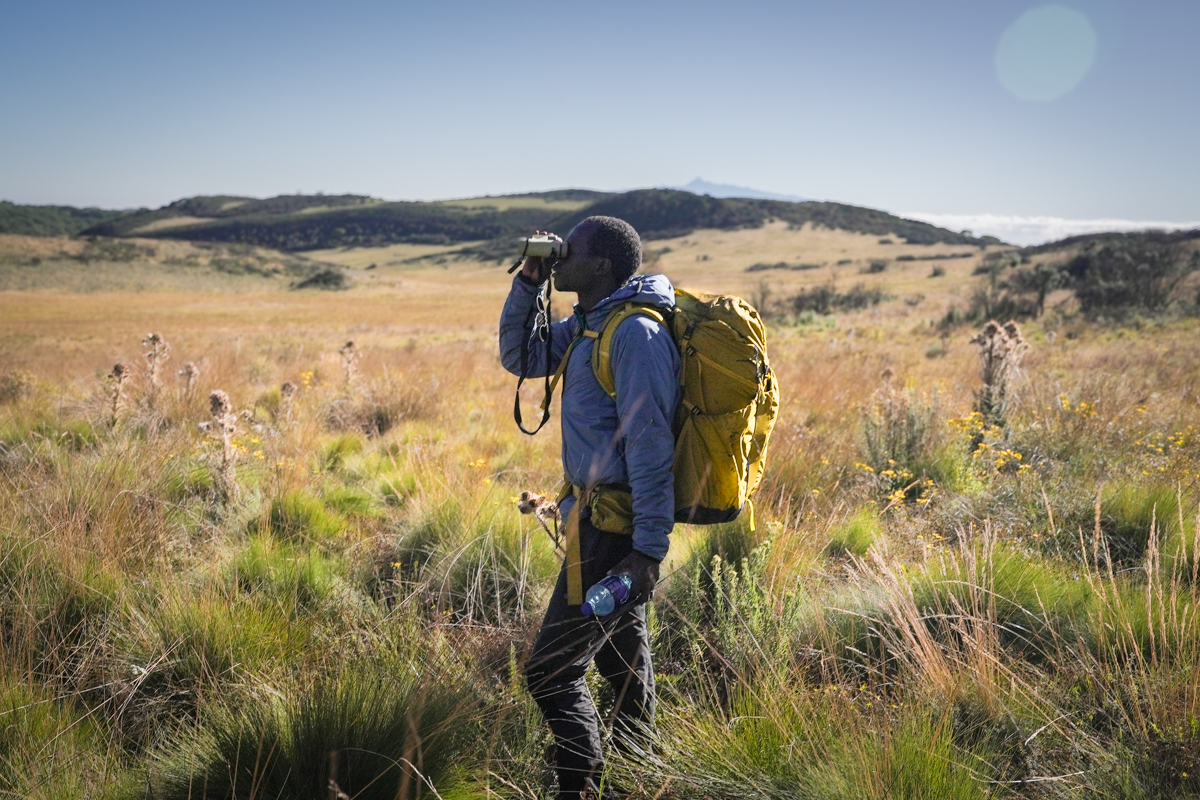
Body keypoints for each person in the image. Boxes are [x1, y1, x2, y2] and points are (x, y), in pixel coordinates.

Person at [499, 216, 680, 799]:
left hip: (614, 531)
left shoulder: (633, 335)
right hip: (590, 521)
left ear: (602, 264)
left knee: (550, 671)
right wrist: (530, 281)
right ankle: (638, 777)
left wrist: (648, 551)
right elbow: (520, 356)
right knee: (625, 668)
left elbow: (651, 447)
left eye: (571, 249)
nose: (562, 253)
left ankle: (578, 783)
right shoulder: (587, 324)